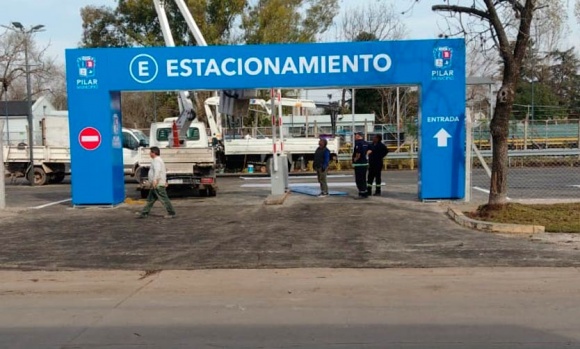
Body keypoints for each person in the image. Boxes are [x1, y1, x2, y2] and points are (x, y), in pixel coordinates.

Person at [136, 146, 176, 219]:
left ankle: (171, 213)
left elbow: (157, 171)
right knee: (150, 199)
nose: (149, 154)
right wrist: (164, 180)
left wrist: (155, 180)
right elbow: (163, 171)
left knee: (164, 199)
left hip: (158, 184)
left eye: (150, 152)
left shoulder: (157, 161)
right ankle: (144, 213)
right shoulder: (157, 160)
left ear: (154, 153)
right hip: (157, 184)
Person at [352, 132, 369, 198]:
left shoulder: (358, 143)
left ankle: (362, 193)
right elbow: (370, 150)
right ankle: (365, 192)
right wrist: (366, 156)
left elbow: (358, 153)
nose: (355, 137)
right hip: (365, 163)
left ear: (358, 136)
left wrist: (355, 159)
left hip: (359, 164)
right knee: (363, 178)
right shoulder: (366, 143)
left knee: (359, 179)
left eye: (355, 135)